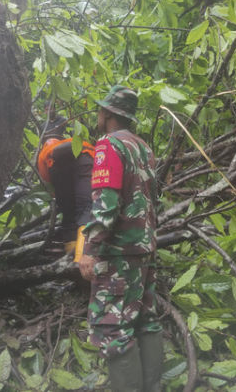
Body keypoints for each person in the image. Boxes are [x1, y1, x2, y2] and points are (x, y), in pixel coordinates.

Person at [77, 85, 163, 392]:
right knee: (146, 319)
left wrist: (90, 249)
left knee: (113, 329)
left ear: (109, 114)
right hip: (145, 248)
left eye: (101, 110)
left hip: (118, 253)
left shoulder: (108, 146)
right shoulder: (144, 148)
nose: (98, 115)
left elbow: (106, 208)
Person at [37, 114, 94, 256]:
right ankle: (80, 259)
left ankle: (72, 262)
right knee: (86, 208)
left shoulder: (44, 155)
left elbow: (51, 188)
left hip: (53, 165)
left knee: (68, 215)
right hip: (83, 158)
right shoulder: (72, 144)